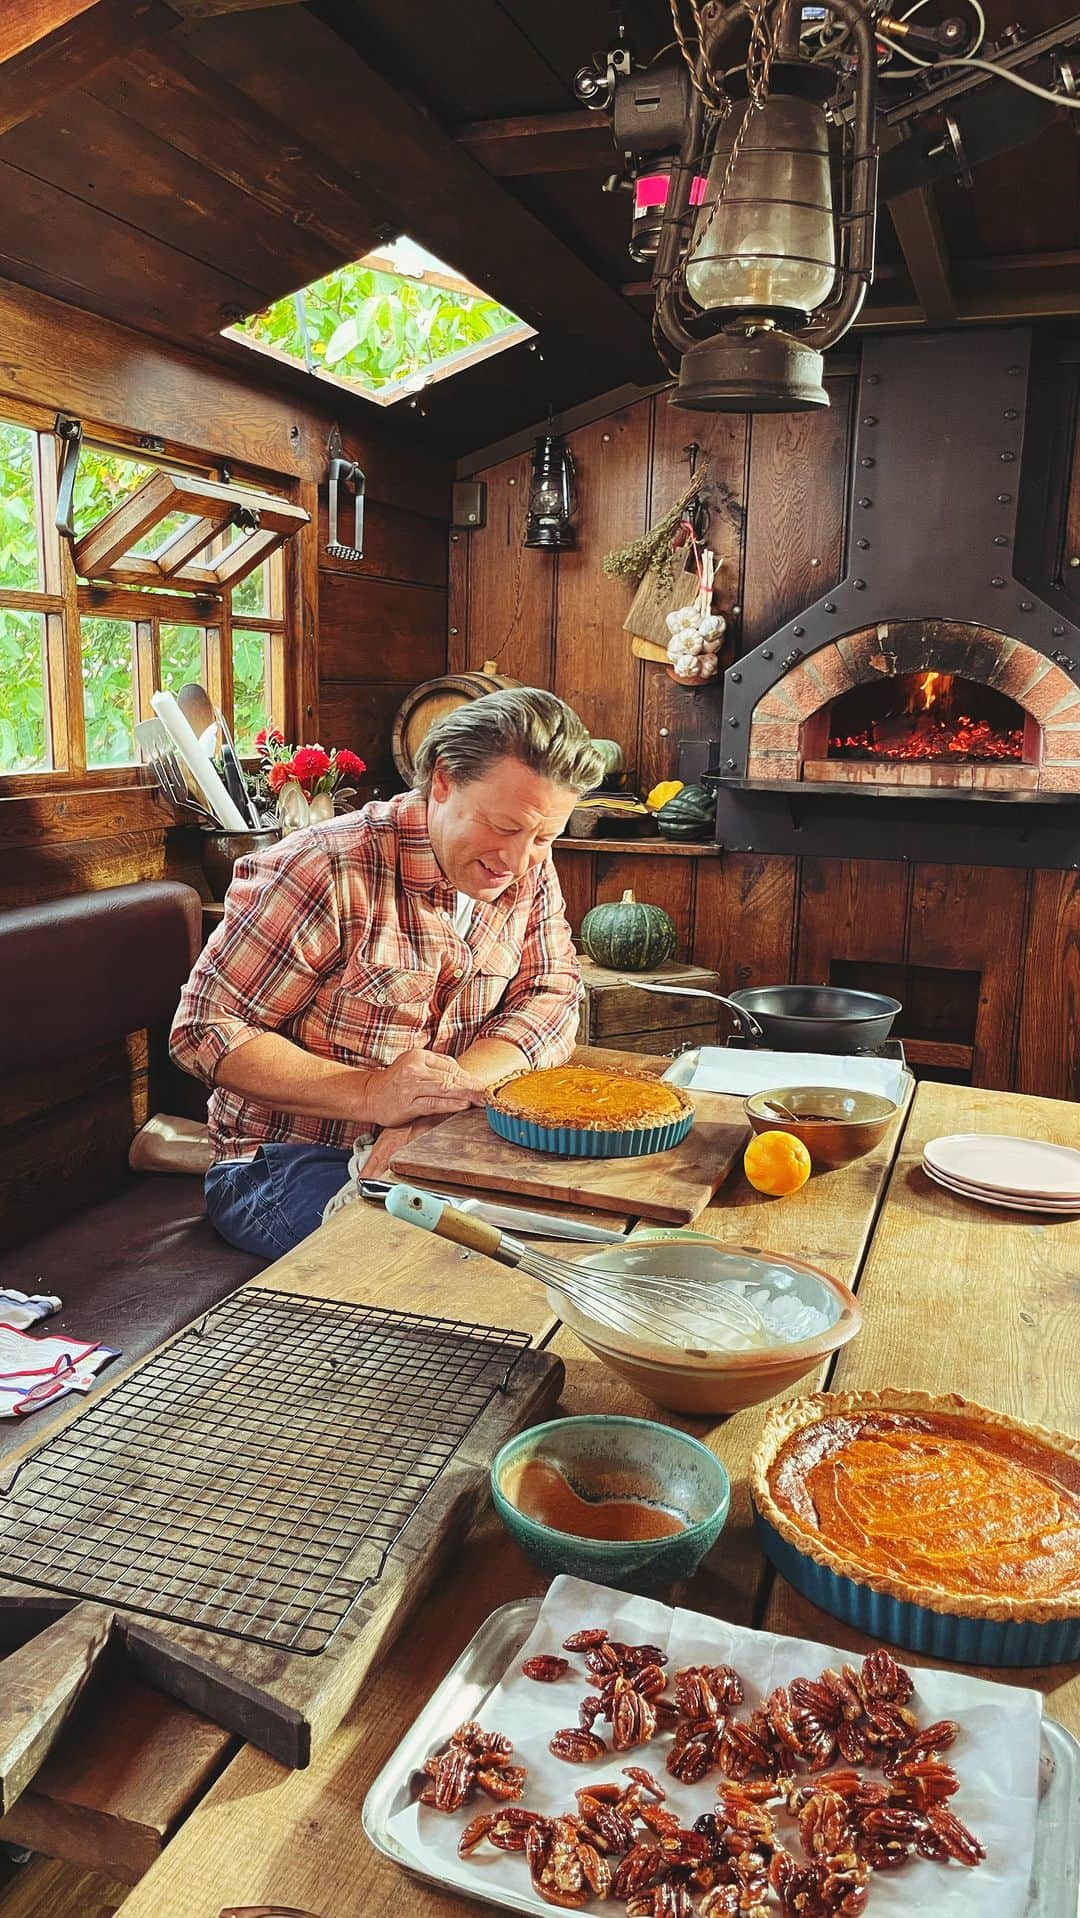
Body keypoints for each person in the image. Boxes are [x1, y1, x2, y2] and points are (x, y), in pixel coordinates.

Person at [170, 687, 604, 1259]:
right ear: (444, 782)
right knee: (442, 1266)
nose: (518, 860)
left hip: (444, 1136)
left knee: (574, 1237)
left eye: (545, 837)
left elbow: (550, 995)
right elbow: (202, 1031)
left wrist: (435, 1099)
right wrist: (375, 1095)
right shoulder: (321, 867)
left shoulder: (525, 868)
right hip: (280, 1164)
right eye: (504, 826)